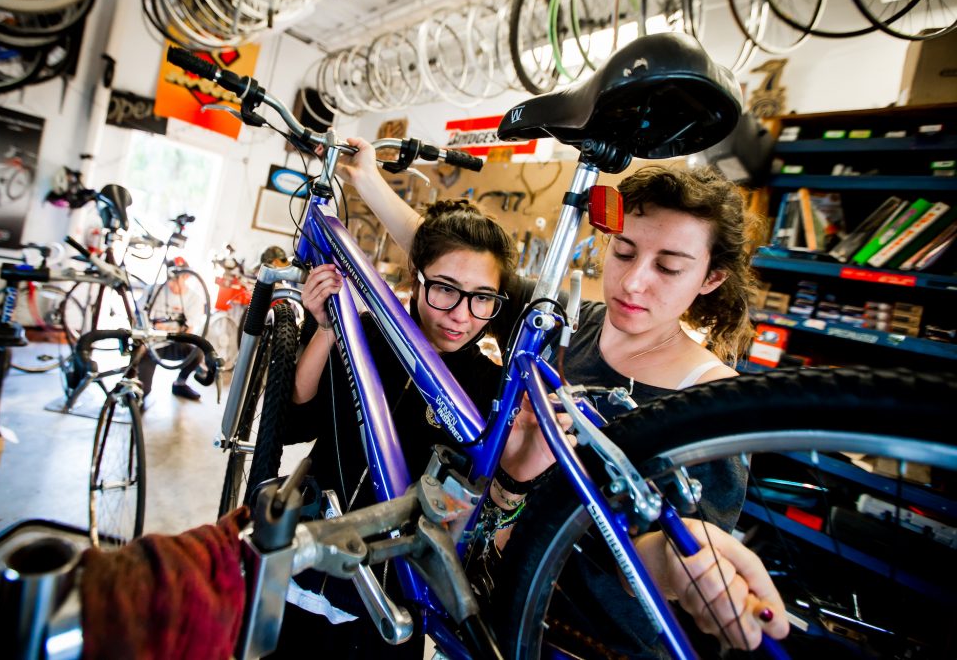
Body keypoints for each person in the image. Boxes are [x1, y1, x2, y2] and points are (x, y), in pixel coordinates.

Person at [331, 137, 789, 653]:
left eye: (668, 266)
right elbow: (452, 258)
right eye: (624, 251)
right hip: (498, 612)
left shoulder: (710, 400)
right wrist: (366, 179)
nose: (633, 282)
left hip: (593, 643)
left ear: (711, 278)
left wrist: (688, 562)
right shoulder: (560, 326)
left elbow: (676, 550)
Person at [275, 200, 516, 658]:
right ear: (416, 277)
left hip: (393, 598)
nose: (461, 315)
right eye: (445, 289)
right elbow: (294, 422)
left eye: (483, 297)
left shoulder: (488, 389)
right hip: (308, 562)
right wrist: (328, 329)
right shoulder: (364, 334)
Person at [139, 271, 208, 401]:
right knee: (143, 392)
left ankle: (180, 384)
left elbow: (188, 332)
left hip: (172, 344)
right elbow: (137, 317)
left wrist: (164, 328)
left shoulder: (194, 299)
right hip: (148, 346)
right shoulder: (153, 291)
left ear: (186, 276)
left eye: (177, 279)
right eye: (170, 278)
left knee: (197, 353)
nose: (172, 283)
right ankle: (133, 379)